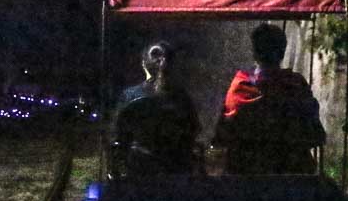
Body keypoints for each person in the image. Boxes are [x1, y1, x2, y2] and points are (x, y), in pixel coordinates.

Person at [214, 23, 325, 174]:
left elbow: (222, 136)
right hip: (291, 178)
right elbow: (315, 135)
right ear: (282, 53)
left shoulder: (240, 89)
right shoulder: (296, 86)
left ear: (254, 52)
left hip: (246, 178)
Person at [110, 40, 201, 177]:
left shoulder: (129, 96)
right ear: (173, 65)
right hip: (176, 170)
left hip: (139, 170)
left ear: (143, 64)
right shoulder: (182, 98)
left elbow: (119, 135)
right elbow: (193, 130)